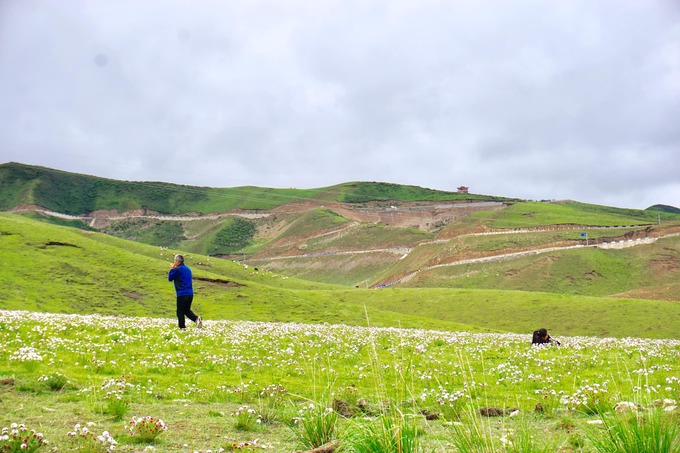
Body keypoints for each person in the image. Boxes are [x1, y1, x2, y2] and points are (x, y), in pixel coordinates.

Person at [168, 254, 203, 330]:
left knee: (180, 311)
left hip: (182, 293)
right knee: (186, 310)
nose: (174, 262)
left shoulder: (177, 269)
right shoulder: (188, 269)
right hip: (190, 293)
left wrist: (172, 269)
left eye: (174, 260)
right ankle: (196, 319)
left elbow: (170, 278)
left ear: (177, 261)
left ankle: (182, 327)